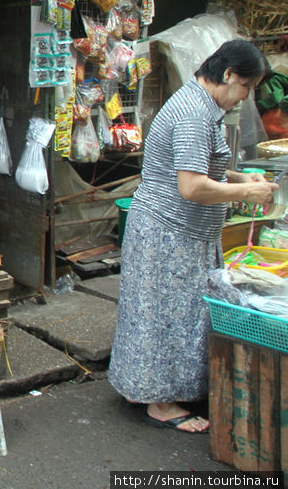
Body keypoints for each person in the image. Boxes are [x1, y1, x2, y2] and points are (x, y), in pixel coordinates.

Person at [108, 39, 273, 434]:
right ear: (229, 75)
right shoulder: (194, 113)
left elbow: (198, 165)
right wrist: (246, 192)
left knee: (164, 315)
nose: (245, 98)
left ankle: (147, 389)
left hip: (178, 232)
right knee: (163, 317)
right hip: (168, 232)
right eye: (247, 88)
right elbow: (192, 186)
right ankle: (160, 403)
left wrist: (238, 177)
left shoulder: (200, 104)